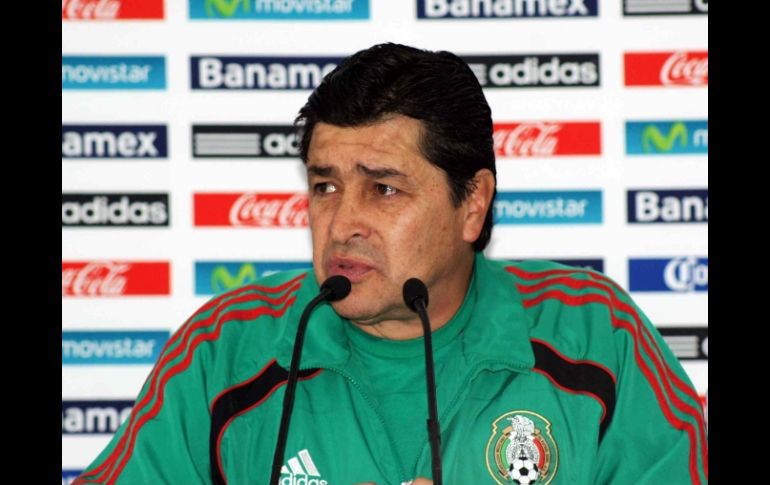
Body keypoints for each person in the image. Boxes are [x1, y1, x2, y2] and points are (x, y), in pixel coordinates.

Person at [74, 43, 708, 485]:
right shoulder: (225, 351)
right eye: (325, 186)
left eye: (383, 188)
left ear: (472, 204)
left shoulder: (595, 336)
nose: (343, 221)